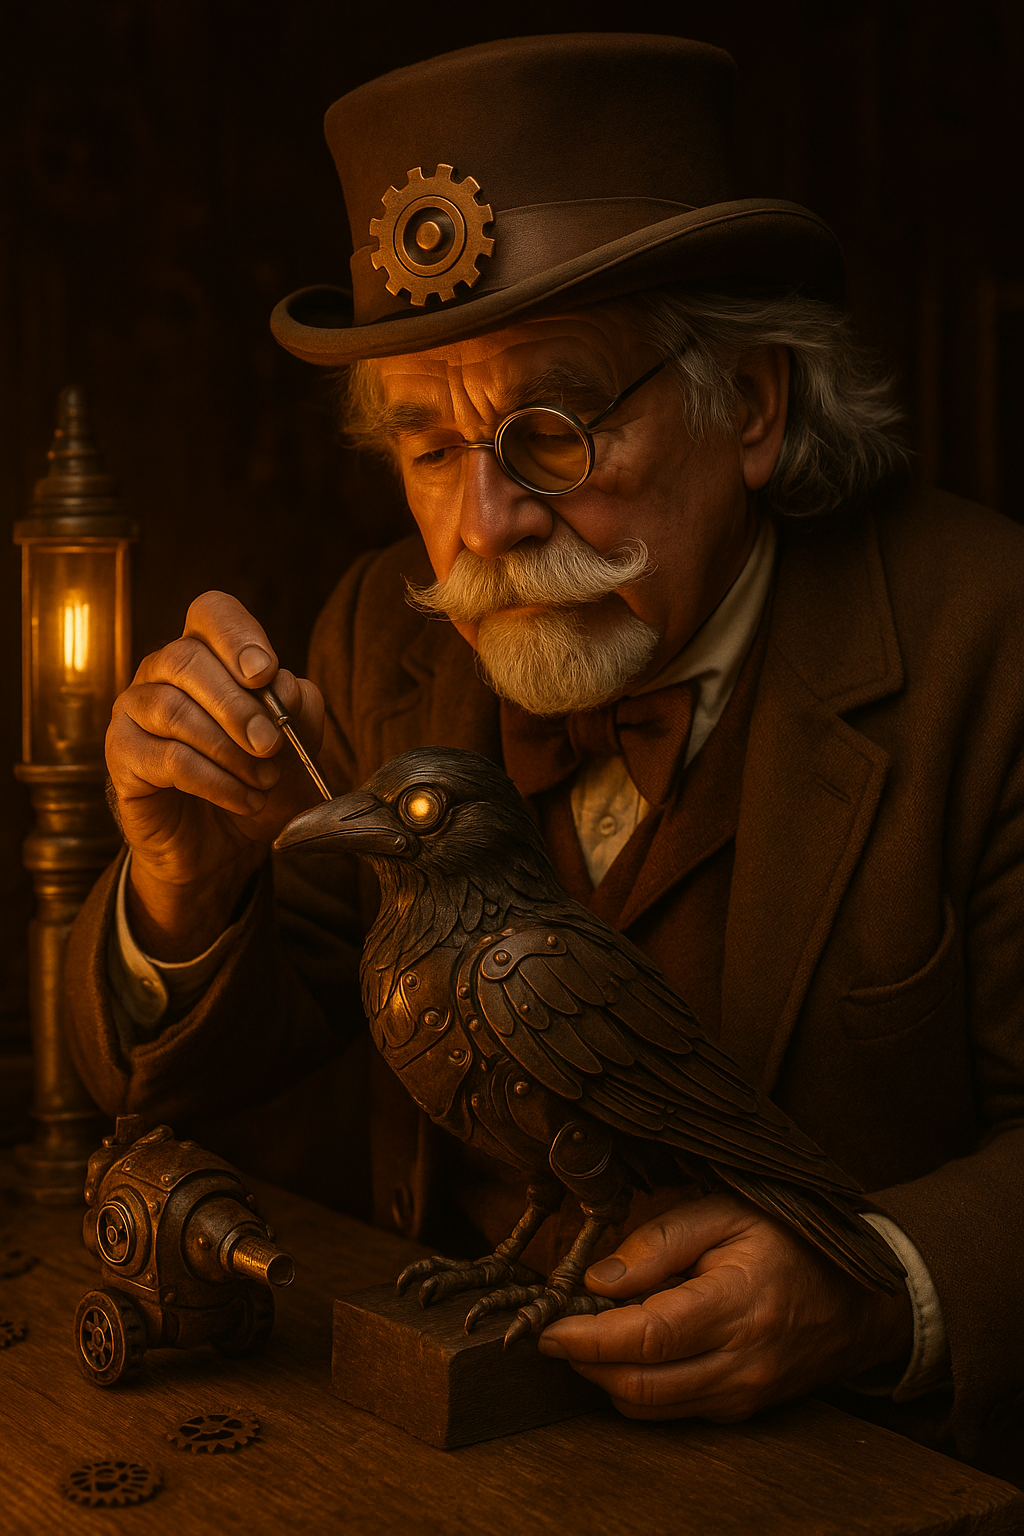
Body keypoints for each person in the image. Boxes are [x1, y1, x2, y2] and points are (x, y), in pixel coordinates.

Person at [65, 35, 1024, 1474]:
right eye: (430, 446)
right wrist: (185, 892)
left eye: (552, 429)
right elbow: (203, 1077)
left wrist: (885, 1288)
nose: (482, 528)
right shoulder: (386, 633)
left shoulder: (988, 643)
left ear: (753, 403)